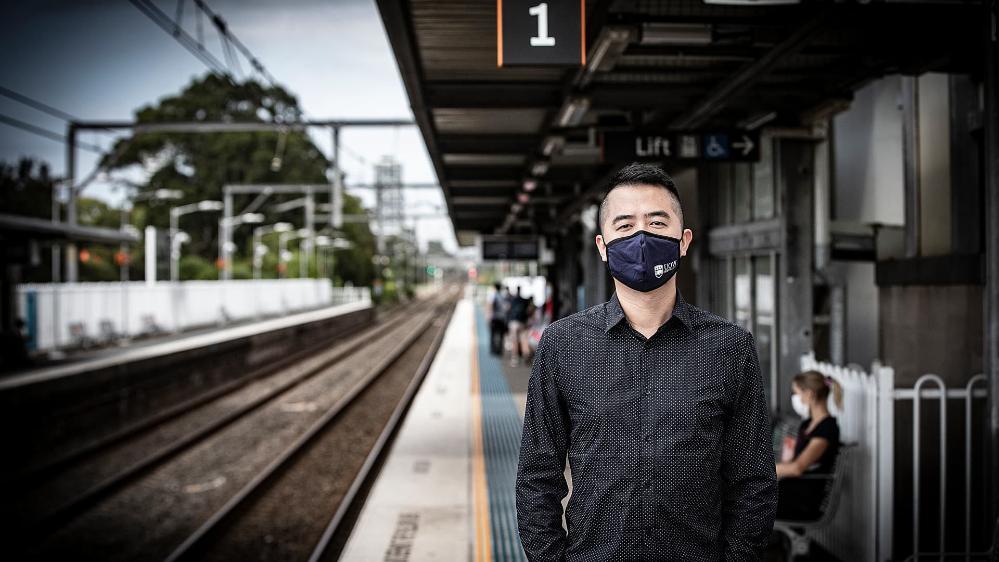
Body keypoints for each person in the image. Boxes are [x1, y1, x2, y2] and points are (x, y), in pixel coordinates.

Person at [516, 162, 777, 561]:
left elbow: (753, 481)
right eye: (624, 226)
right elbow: (537, 476)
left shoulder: (730, 348)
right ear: (603, 246)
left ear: (683, 240)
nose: (641, 237)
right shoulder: (562, 345)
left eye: (657, 223)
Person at [774, 371, 843, 522]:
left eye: (797, 393)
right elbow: (790, 462)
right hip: (788, 491)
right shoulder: (806, 425)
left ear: (810, 394)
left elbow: (797, 467)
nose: (795, 399)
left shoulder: (827, 429)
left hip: (802, 499)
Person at [506, 286, 529, 366]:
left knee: (514, 341)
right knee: (524, 340)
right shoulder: (524, 300)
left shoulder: (513, 300)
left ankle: (515, 359)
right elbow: (529, 310)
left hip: (514, 323)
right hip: (522, 322)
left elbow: (508, 309)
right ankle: (526, 355)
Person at [488, 283, 510, 356]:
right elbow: (507, 307)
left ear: (494, 287)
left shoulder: (493, 296)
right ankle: (500, 350)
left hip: (494, 318)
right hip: (502, 319)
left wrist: (489, 315)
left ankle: (493, 349)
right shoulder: (503, 296)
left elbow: (490, 305)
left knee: (493, 334)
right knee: (501, 335)